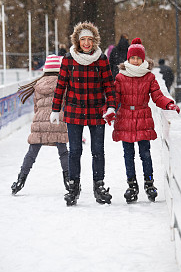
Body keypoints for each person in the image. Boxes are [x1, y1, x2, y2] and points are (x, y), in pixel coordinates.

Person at [50, 21, 116, 206]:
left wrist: (111, 106)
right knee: (75, 151)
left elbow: (109, 85)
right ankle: (73, 185)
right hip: (74, 111)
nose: (86, 43)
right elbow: (60, 86)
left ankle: (99, 185)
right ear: (77, 41)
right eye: (83, 40)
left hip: (96, 111)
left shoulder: (101, 59)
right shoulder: (68, 59)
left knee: (98, 151)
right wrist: (55, 109)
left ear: (94, 41)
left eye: (89, 39)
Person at [112, 38, 180, 203]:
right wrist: (108, 109)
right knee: (128, 155)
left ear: (143, 59)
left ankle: (149, 183)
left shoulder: (149, 77)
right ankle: (132, 185)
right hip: (125, 118)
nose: (135, 61)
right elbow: (114, 98)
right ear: (128, 59)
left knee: (145, 154)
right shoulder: (120, 77)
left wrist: (169, 104)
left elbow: (157, 96)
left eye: (138, 58)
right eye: (132, 58)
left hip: (143, 118)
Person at [11, 55, 69, 195]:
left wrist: (40, 115)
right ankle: (69, 180)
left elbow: (36, 106)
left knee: (32, 152)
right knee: (63, 152)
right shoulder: (63, 84)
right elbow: (66, 103)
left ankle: (21, 179)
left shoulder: (38, 84)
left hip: (40, 120)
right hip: (58, 119)